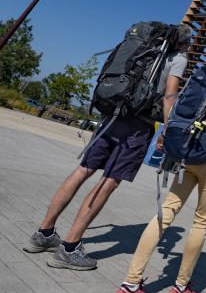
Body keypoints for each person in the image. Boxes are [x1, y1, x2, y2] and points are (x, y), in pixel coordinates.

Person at [23, 23, 193, 270]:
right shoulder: (177, 58)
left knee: (83, 170)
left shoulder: (144, 50)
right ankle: (69, 248)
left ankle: (44, 233)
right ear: (183, 42)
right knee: (108, 181)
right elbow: (169, 96)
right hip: (138, 126)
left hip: (112, 116)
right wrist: (168, 130)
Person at [107, 54, 206, 293]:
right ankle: (179, 290)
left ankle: (129, 287)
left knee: (165, 213)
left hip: (190, 155)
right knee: (201, 221)